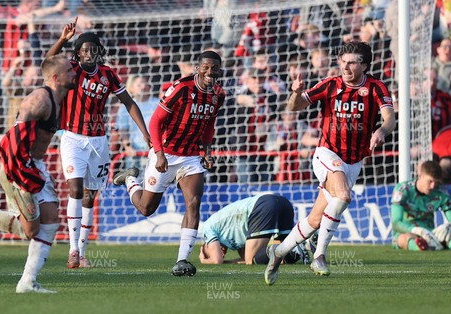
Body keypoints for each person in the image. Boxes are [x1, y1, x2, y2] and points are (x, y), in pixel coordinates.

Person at [264, 41, 396, 285]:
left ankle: (279, 252)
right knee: (344, 196)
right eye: (343, 61)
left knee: (315, 219)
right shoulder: (330, 85)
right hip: (327, 153)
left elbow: (390, 118)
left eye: (352, 62)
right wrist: (295, 92)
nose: (346, 66)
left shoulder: (376, 88)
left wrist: (381, 131)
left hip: (354, 161)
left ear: (364, 65)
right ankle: (319, 256)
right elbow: (294, 107)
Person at [0, 55, 76, 293]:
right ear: (57, 78)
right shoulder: (39, 101)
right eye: (70, 71)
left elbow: (49, 62)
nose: (75, 73)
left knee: (50, 221)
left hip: (35, 164)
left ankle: (27, 282)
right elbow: (12, 141)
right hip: (18, 165)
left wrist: (62, 40)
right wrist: (22, 171)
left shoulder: (59, 94)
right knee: (30, 231)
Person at [46, 18, 150, 269]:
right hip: (72, 138)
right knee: (75, 189)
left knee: (90, 197)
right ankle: (72, 250)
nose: (89, 53)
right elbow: (47, 63)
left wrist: (144, 133)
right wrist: (62, 39)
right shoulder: (71, 68)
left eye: (93, 49)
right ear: (78, 53)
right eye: (84, 50)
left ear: (99, 52)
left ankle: (82, 253)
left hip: (99, 142)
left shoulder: (109, 75)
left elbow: (129, 103)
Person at [112, 50, 226, 276]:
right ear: (197, 68)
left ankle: (182, 260)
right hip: (166, 151)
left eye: (214, 68)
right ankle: (131, 179)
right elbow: (155, 121)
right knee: (146, 208)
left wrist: (207, 151)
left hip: (191, 156)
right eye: (206, 67)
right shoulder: (181, 89)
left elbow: (209, 125)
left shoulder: (218, 95)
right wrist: (160, 153)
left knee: (193, 202)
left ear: (220, 71)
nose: (209, 72)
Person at [199, 194, 307, 265]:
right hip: (282, 202)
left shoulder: (207, 228)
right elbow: (244, 259)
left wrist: (204, 260)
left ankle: (296, 248)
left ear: (206, 245)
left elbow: (217, 260)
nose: (220, 253)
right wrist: (233, 261)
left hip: (263, 205)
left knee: (251, 259)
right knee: (281, 257)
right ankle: (303, 246)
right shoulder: (231, 237)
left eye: (209, 252)